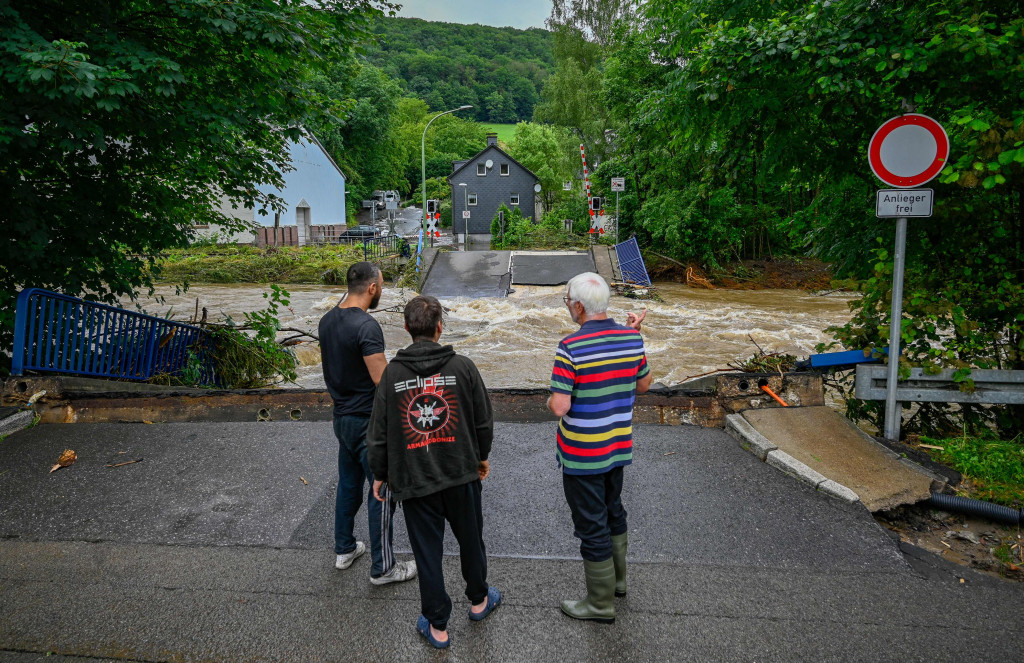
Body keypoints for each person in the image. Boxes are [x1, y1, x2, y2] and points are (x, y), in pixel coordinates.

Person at [367, 295, 499, 649]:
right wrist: (481, 457)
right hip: (461, 472)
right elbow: (484, 421)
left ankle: (438, 626)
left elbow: (378, 432)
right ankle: (479, 600)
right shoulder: (464, 367)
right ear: (441, 326)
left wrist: (379, 474)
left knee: (427, 553)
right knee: (471, 539)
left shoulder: (392, 374)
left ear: (407, 328)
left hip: (413, 478)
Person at [548, 272, 650, 624]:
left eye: (566, 301)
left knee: (591, 524)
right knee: (613, 511)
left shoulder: (570, 347)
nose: (567, 307)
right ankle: (618, 583)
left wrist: (552, 400)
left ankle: (599, 604)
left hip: (582, 454)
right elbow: (645, 384)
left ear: (578, 306)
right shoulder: (631, 337)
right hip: (617, 446)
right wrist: (634, 335)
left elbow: (560, 407)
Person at [318, 261, 416, 585]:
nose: (382, 291)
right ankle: (384, 567)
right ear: (372, 288)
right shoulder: (366, 327)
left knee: (348, 484)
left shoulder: (327, 321)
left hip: (341, 419)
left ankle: (344, 549)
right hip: (367, 424)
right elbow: (383, 383)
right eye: (382, 286)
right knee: (381, 489)